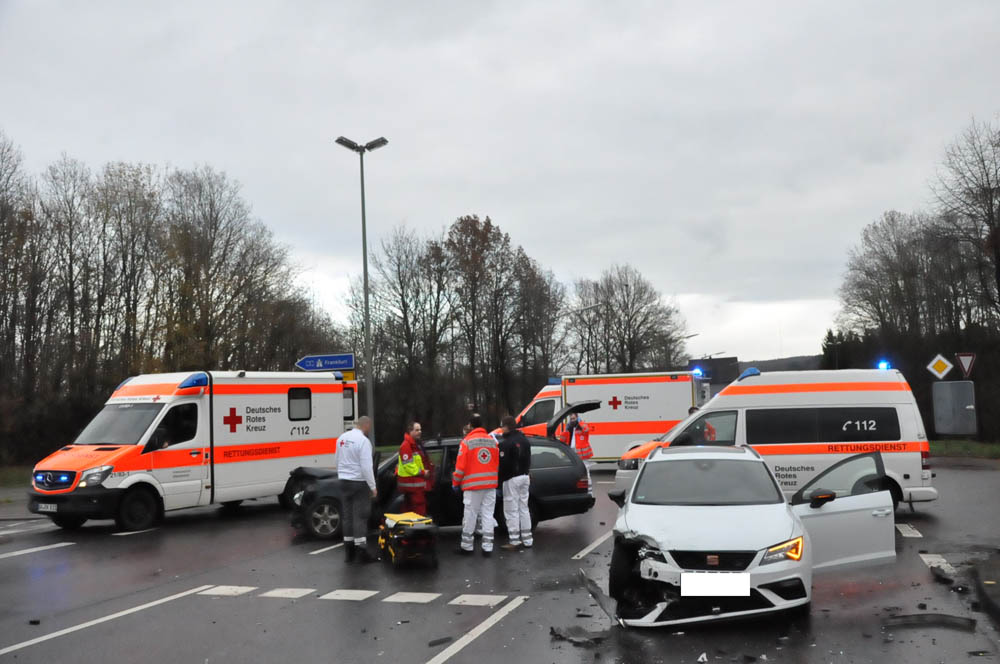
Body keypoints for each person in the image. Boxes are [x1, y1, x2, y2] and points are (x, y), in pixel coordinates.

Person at [452, 413, 499, 557]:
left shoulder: (467, 442)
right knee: (488, 515)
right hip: (490, 485)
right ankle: (488, 547)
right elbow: (496, 464)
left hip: (473, 487)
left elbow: (460, 467)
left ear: (470, 425)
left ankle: (467, 547)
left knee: (470, 516)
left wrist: (455, 482)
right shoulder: (492, 441)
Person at [336, 416, 378, 563]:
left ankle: (349, 552)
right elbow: (367, 467)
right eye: (369, 426)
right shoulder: (363, 441)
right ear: (366, 425)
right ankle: (362, 551)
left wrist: (342, 474)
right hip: (358, 483)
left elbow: (337, 459)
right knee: (360, 516)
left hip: (343, 481)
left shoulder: (341, 438)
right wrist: (373, 487)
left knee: (347, 516)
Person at [498, 415, 532, 550]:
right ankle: (528, 539)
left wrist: (500, 481)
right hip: (525, 477)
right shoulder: (524, 440)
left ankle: (514, 540)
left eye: (501, 426)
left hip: (511, 479)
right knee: (524, 508)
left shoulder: (505, 444)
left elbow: (504, 465)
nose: (500, 429)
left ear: (506, 427)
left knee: (511, 510)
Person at [396, 421, 431, 515]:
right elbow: (409, 466)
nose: (419, 432)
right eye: (417, 430)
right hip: (412, 485)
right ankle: (419, 529)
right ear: (410, 431)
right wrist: (423, 472)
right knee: (418, 511)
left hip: (415, 484)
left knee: (411, 510)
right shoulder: (406, 445)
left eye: (420, 430)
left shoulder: (416, 444)